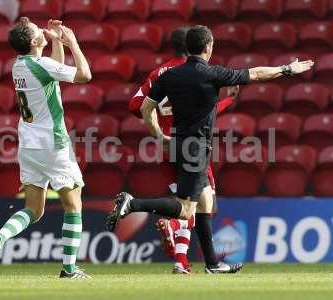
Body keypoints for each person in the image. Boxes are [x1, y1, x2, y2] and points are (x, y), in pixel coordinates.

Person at [107, 25, 314, 274]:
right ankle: (133, 204)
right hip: (196, 148)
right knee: (186, 209)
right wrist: (288, 69)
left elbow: (144, 108)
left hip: (177, 143)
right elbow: (257, 74)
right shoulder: (213, 74)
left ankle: (212, 263)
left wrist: (159, 135)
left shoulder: (168, 76)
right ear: (208, 47)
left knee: (206, 201)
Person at [0, 17, 92, 279]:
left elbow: (55, 68)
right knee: (73, 205)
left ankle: (0, 238)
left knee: (34, 209)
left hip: (29, 145)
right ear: (33, 41)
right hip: (53, 143)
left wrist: (53, 39)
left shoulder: (19, 65)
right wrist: (72, 42)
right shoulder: (40, 64)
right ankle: (69, 269)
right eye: (36, 30)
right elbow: (84, 75)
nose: (41, 28)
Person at [128, 27, 239, 274]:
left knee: (187, 202)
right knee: (201, 205)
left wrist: (158, 118)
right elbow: (205, 113)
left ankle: (182, 262)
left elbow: (136, 105)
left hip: (167, 147)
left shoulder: (159, 73)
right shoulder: (197, 73)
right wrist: (229, 101)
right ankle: (198, 259)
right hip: (191, 145)